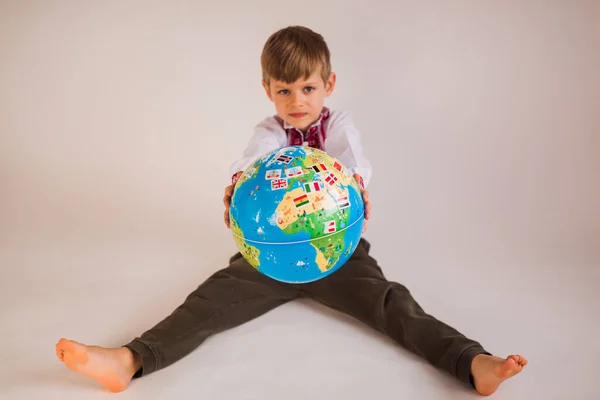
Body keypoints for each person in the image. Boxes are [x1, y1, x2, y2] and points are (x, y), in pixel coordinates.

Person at [55, 25, 527, 396]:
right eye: (284, 91)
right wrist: (239, 186)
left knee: (392, 304)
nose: (296, 102)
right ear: (267, 89)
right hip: (272, 256)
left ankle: (471, 363)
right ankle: (129, 361)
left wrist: (347, 189)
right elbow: (251, 162)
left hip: (334, 252)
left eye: (307, 88)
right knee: (208, 301)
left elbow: (353, 164)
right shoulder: (270, 130)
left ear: (329, 84)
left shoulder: (336, 124)